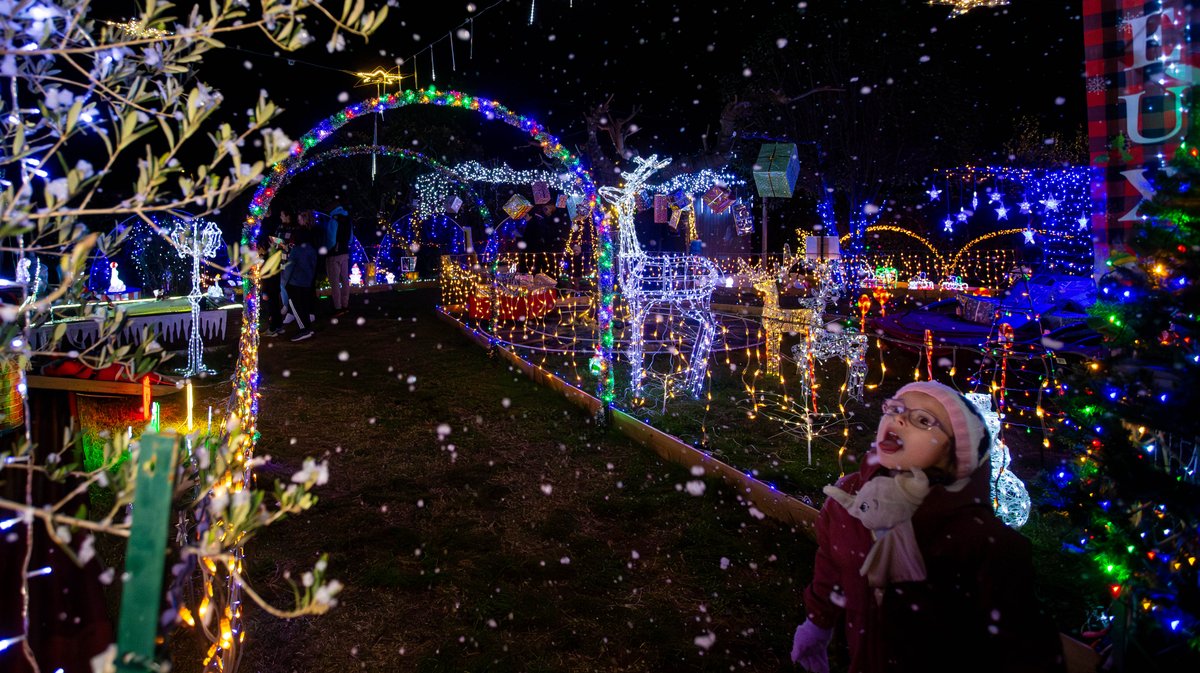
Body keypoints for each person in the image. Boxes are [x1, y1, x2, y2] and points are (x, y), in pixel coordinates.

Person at [790, 381, 1064, 673]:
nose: (900, 418)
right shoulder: (850, 497)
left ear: (955, 452)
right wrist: (817, 624)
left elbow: (1023, 643)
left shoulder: (981, 540)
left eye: (923, 420)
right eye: (894, 409)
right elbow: (832, 562)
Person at [283, 225, 318, 342]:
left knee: (297, 308)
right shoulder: (312, 249)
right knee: (304, 306)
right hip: (307, 282)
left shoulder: (296, 250)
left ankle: (304, 330)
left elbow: (289, 267)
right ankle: (307, 327)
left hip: (295, 283)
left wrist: (285, 281)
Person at [325, 205, 352, 316]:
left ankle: (338, 307)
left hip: (334, 255)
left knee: (335, 282)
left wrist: (327, 249)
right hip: (345, 253)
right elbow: (350, 239)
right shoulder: (347, 220)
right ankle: (345, 305)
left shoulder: (333, 220)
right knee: (345, 280)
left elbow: (331, 240)